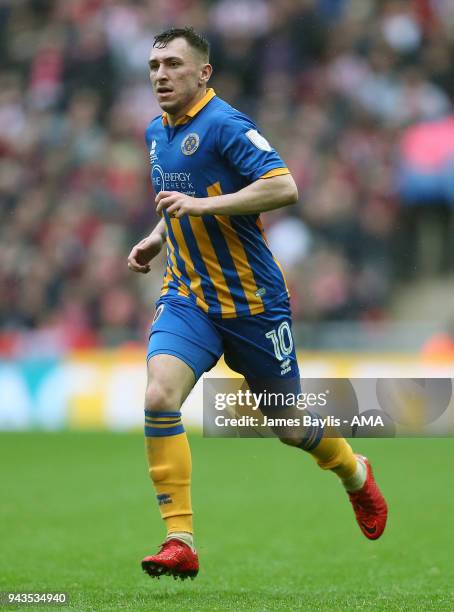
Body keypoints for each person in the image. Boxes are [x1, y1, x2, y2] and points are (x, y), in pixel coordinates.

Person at [128, 27, 388, 581]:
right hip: (189, 296)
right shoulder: (157, 131)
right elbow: (185, 191)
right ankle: (180, 537)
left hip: (253, 305)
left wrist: (194, 207)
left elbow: (284, 185)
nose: (160, 76)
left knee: (289, 426)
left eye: (173, 65)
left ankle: (354, 473)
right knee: (158, 393)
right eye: (154, 66)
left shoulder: (226, 124)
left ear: (203, 74)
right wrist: (159, 234)